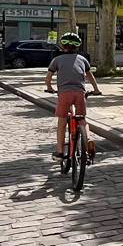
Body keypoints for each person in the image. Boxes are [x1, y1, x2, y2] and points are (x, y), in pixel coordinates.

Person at [45, 34, 100, 162]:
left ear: (62, 46)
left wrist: (50, 88)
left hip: (64, 94)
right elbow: (90, 76)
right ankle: (89, 139)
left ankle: (59, 152)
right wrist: (96, 90)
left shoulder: (57, 60)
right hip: (79, 92)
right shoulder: (82, 59)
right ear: (77, 47)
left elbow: (48, 78)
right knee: (82, 119)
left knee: (62, 121)